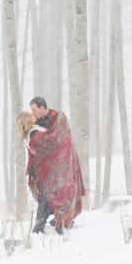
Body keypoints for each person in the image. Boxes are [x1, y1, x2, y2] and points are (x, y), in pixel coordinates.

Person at [25, 96, 86, 236]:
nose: (32, 112)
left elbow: (60, 140)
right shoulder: (36, 124)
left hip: (63, 164)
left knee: (62, 193)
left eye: (34, 109)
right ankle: (41, 225)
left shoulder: (59, 118)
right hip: (47, 169)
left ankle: (58, 222)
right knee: (46, 194)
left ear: (42, 107)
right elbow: (38, 144)